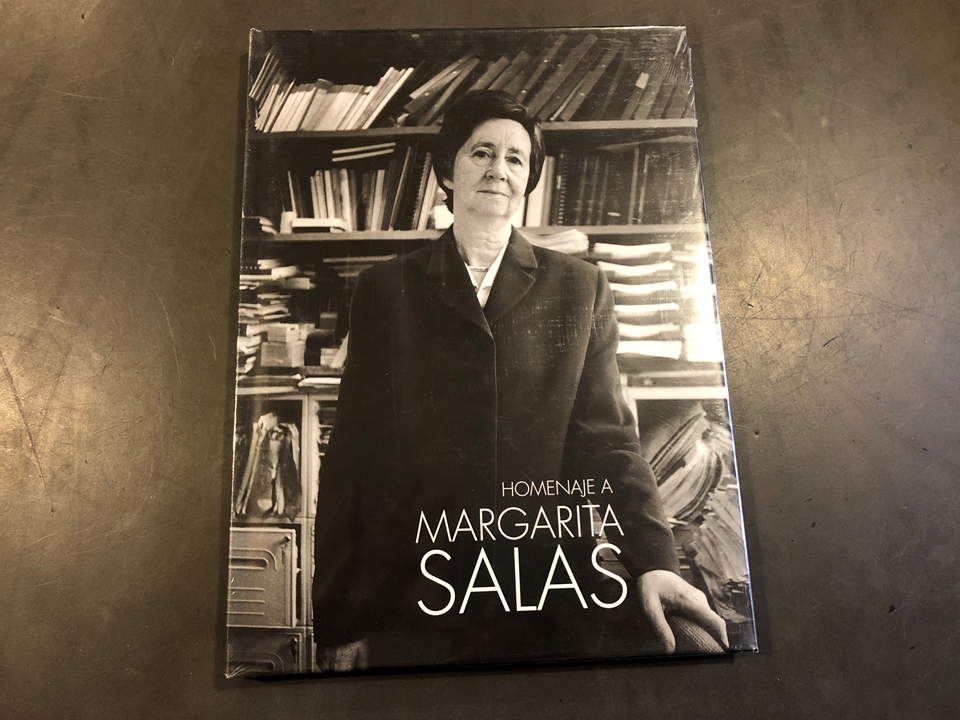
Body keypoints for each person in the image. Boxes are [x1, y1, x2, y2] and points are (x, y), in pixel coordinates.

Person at [312, 90, 727, 669]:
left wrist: (657, 561)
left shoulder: (579, 286)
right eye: (481, 152)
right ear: (448, 170)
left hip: (546, 574)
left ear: (528, 179)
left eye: (515, 158)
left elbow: (607, 439)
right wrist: (342, 612)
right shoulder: (385, 289)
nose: (498, 170)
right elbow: (355, 454)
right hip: (417, 576)